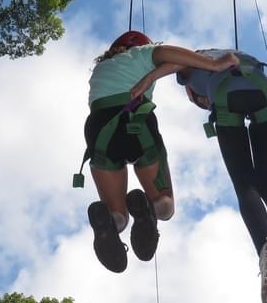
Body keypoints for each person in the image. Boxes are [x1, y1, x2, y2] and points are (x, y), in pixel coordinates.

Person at [129, 48, 267, 303]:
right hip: (263, 94)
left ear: (193, 94)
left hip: (228, 99)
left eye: (199, 102)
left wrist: (149, 79)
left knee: (245, 185)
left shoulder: (193, 64)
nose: (203, 104)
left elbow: (173, 65)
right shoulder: (240, 54)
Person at [79, 31, 239, 273]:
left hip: (99, 129)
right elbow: (175, 56)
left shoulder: (101, 71)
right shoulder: (142, 54)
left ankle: (110, 222)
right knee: (165, 205)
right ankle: (148, 210)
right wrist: (214, 64)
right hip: (136, 121)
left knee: (117, 217)